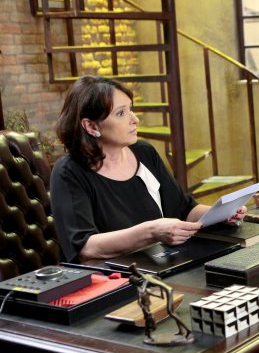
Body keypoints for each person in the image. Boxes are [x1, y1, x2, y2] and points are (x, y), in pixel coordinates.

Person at [50, 76, 246, 263]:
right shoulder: (68, 172)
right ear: (91, 126)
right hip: (112, 277)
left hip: (160, 264)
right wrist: (151, 231)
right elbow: (86, 248)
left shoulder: (143, 152)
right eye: (121, 113)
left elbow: (184, 210)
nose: (135, 119)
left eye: (131, 109)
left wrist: (221, 213)